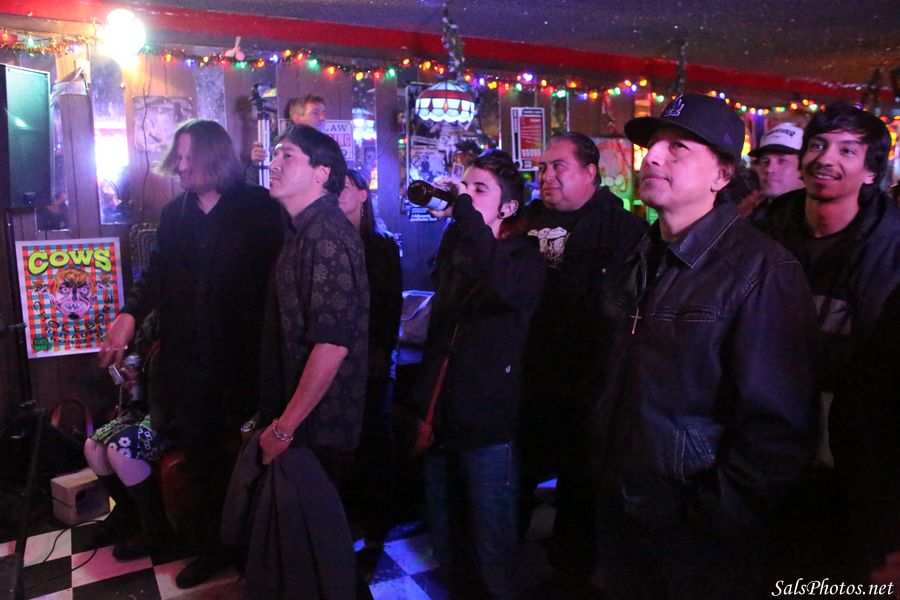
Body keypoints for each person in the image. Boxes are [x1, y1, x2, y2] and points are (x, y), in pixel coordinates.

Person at [592, 93, 816, 599]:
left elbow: (777, 432)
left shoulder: (761, 269)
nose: (653, 157)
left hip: (694, 530)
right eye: (652, 146)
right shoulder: (637, 256)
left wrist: (709, 518)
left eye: (679, 147)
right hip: (622, 508)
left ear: (722, 174)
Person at [96, 120, 284, 576]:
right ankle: (212, 549)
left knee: (249, 460)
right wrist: (128, 315)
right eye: (177, 158)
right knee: (202, 459)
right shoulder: (175, 213)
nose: (179, 166)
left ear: (214, 157)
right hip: (190, 365)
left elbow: (279, 283)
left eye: (187, 158)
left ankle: (258, 547)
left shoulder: (258, 207)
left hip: (245, 362)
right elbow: (157, 275)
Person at [220, 125, 368, 599]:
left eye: (288, 156)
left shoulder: (326, 236)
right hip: (300, 423)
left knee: (319, 563)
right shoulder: (302, 231)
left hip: (316, 428)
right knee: (308, 559)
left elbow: (332, 345)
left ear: (322, 173)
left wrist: (285, 428)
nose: (274, 163)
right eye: (275, 155)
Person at [756, 103, 900, 579]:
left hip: (860, 451)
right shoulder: (762, 235)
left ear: (871, 171)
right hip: (766, 436)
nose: (825, 158)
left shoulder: (891, 246)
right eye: (818, 145)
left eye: (847, 150)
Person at [411, 149, 546, 600]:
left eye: (479, 190)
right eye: (464, 186)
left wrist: (464, 214)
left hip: (489, 426)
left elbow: (502, 283)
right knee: (446, 536)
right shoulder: (460, 249)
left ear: (508, 208)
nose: (466, 196)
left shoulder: (526, 257)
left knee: (493, 546)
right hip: (441, 418)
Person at [515, 131, 646, 580]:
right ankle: (502, 566)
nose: (547, 176)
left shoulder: (622, 229)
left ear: (591, 172)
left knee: (580, 482)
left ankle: (570, 573)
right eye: (542, 168)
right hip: (526, 373)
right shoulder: (525, 220)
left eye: (559, 166)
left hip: (588, 380)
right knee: (518, 472)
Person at [337, 170, 403, 575]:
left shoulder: (381, 245)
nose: (338, 194)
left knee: (372, 443)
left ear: (363, 194)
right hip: (338, 362)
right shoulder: (326, 242)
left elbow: (389, 309)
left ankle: (376, 528)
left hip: (372, 362)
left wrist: (378, 356)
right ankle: (348, 526)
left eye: (345, 186)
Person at [743, 122, 805, 220]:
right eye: (765, 161)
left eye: (782, 161)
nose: (769, 169)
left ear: (804, 167)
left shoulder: (816, 219)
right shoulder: (752, 214)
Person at [251, 94, 327, 163]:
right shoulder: (281, 146)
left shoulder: (327, 146)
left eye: (323, 113)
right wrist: (257, 163)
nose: (322, 118)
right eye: (315, 113)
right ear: (296, 118)